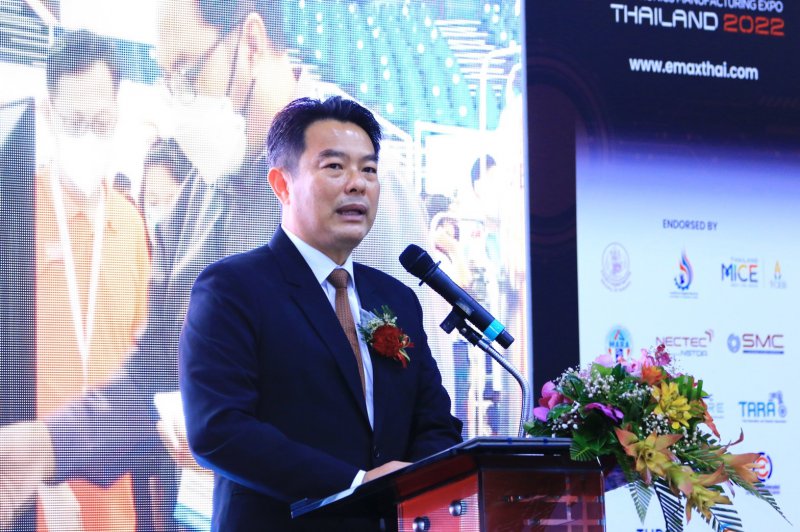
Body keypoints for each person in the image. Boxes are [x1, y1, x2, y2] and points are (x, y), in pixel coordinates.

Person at [0, 0, 429, 529]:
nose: (177, 101)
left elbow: (408, 397)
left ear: (250, 43)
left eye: (186, 72)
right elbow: (159, 364)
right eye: (168, 79)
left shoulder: (361, 194)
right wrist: (49, 444)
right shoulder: (203, 201)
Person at [179, 95, 461, 530]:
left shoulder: (396, 298)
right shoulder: (233, 288)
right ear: (282, 184)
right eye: (335, 167)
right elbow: (220, 430)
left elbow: (435, 423)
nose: (358, 184)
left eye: (369, 170)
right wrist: (356, 484)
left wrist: (413, 490)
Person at [17, 29, 150, 531]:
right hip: (25, 486)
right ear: (48, 113)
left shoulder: (129, 223)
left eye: (101, 123)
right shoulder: (16, 213)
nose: (90, 136)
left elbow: (140, 358)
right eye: (76, 122)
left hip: (112, 493)